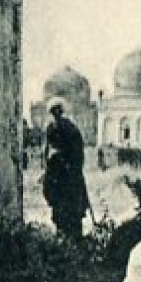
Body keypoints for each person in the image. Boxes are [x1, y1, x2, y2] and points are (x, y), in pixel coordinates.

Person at [42, 100, 91, 240]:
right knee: (65, 217)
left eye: (56, 111)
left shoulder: (67, 129)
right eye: (53, 112)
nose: (55, 114)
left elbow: (77, 153)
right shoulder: (58, 128)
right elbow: (48, 151)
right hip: (64, 180)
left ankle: (70, 249)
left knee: (69, 219)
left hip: (68, 181)